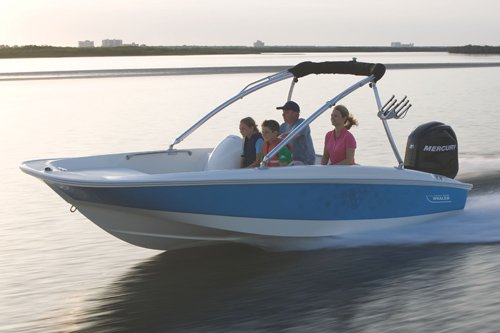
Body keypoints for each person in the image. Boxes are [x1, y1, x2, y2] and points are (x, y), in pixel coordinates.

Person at [276, 101, 316, 165]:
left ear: (296, 114)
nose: (283, 114)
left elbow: (293, 135)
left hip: (305, 163)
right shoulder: (283, 126)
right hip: (290, 161)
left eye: (286, 112)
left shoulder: (302, 123)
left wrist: (277, 139)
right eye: (283, 112)